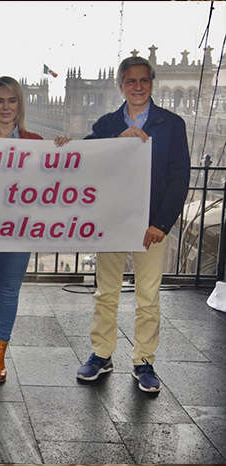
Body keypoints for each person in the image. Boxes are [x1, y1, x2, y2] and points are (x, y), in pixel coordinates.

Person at [76, 56, 190, 393]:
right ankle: (101, 354)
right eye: (131, 81)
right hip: (113, 221)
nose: (138, 87)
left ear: (151, 83)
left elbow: (179, 177)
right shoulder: (108, 123)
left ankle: (143, 361)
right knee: (106, 293)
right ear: (121, 85)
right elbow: (86, 156)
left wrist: (162, 224)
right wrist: (117, 140)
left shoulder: (172, 124)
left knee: (148, 297)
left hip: (151, 226)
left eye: (144, 80)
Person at [0, 76, 70, 383]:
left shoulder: (36, 142)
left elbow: (52, 179)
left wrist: (63, 150)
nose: (5, 107)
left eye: (11, 101)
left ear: (20, 105)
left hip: (20, 228)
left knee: (10, 291)